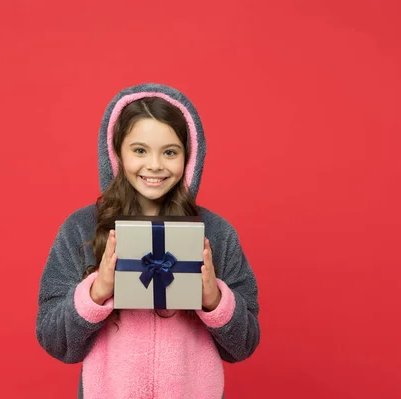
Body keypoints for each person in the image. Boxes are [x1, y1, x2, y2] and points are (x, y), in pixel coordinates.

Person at [36, 83, 260, 399]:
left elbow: (244, 345)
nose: (155, 165)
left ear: (189, 156)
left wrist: (215, 301)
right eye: (140, 150)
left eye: (170, 152)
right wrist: (96, 293)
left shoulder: (217, 233)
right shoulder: (80, 229)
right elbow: (54, 340)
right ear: (117, 152)